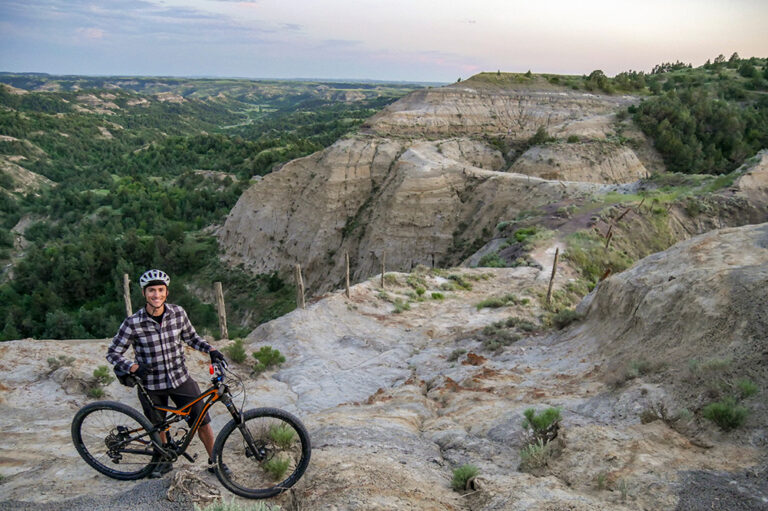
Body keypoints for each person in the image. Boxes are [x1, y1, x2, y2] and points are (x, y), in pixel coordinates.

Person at [106, 269, 228, 478]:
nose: (156, 295)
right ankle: (164, 459)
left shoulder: (178, 313)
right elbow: (113, 353)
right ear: (144, 294)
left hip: (180, 378)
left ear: (167, 292)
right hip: (151, 384)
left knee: (202, 421)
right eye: (152, 291)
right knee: (158, 425)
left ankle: (215, 461)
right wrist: (133, 367)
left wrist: (211, 350)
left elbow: (191, 338)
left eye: (160, 290)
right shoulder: (133, 323)